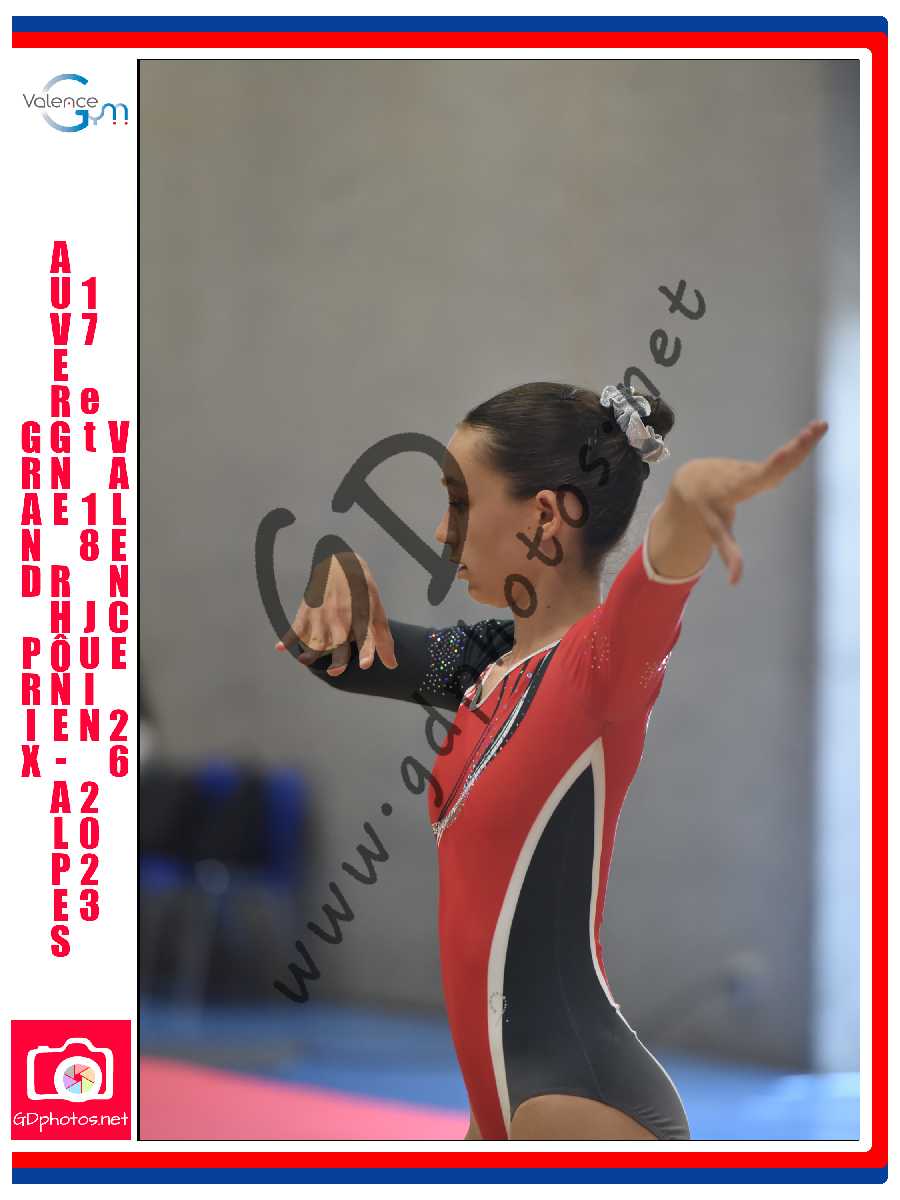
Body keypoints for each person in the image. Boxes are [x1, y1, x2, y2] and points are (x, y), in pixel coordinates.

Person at [276, 381, 828, 1140]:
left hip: (578, 1101)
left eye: (460, 504)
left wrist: (687, 500)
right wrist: (332, 569)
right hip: (502, 1108)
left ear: (544, 515)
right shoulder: (488, 662)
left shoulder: (599, 667)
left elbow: (655, 584)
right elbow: (335, 655)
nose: (441, 531)